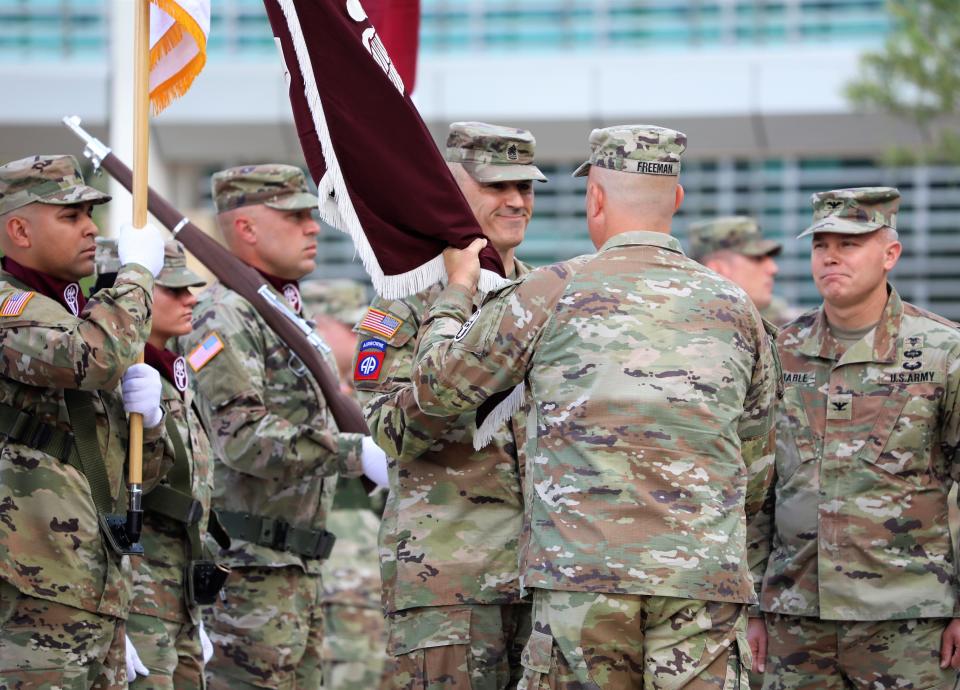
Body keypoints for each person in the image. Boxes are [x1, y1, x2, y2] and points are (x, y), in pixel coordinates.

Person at [409, 125, 780, 689]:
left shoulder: (550, 291)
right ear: (676, 200)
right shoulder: (739, 309)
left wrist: (456, 292)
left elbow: (436, 390)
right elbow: (757, 463)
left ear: (595, 199)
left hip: (582, 581)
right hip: (700, 581)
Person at [352, 122, 546, 689]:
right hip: (449, 584)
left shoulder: (543, 298)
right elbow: (391, 432)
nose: (515, 201)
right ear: (452, 192)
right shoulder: (407, 303)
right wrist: (457, 301)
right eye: (496, 186)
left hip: (541, 579)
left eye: (526, 187)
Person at [182, 164, 388, 690]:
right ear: (247, 228)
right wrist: (353, 454)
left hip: (294, 569)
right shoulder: (224, 315)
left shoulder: (277, 311)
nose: (313, 227)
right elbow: (242, 438)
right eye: (295, 216)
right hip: (248, 576)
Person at [750, 187, 960, 689]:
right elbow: (756, 486)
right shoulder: (781, 349)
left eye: (850, 244)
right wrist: (752, 604)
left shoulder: (941, 352)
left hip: (907, 619)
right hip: (794, 618)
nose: (831, 257)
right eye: (821, 244)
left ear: (890, 254)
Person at [0, 154, 169, 688]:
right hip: (28, 596)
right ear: (19, 229)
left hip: (98, 589)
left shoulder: (87, 313)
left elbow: (143, 473)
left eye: (90, 214)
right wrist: (139, 274)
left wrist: (155, 420)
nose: (92, 228)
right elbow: (88, 359)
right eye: (70, 216)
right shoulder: (10, 305)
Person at [96, 238, 222, 689]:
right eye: (173, 289)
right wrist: (115, 618)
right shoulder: (113, 377)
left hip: (178, 590)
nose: (190, 298)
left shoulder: (170, 369)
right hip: (137, 587)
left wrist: (195, 613)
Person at [299, 278, 392, 690]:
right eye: (350, 328)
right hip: (325, 578)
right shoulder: (297, 392)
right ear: (318, 326)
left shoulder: (364, 391)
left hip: (371, 582)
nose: (361, 341)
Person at [686, 216, 799, 325]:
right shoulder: (680, 329)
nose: (773, 269)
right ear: (716, 271)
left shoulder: (783, 324)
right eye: (757, 258)